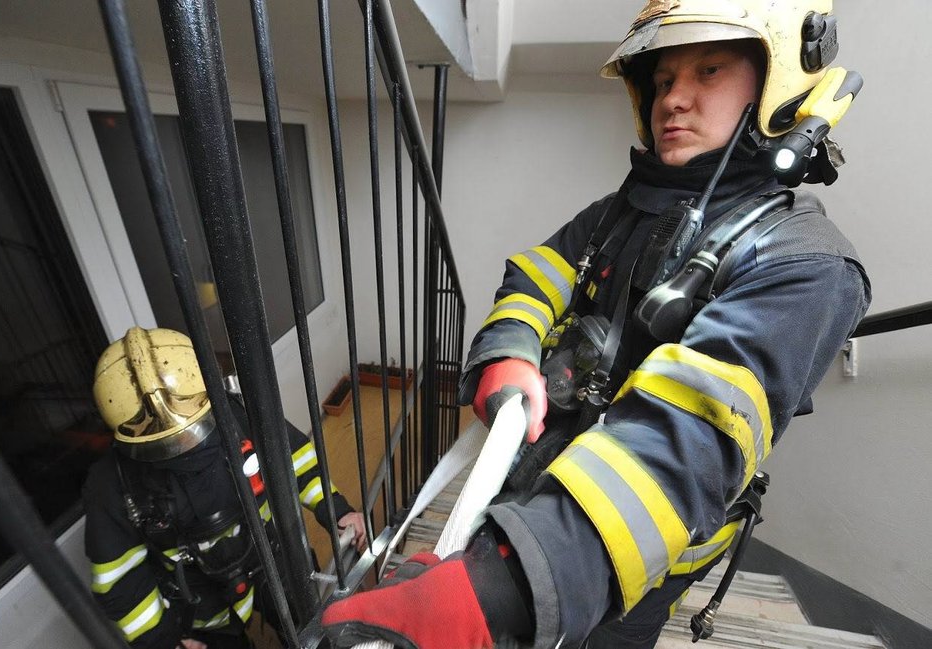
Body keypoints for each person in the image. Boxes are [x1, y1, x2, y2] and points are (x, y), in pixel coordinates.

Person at [321, 1, 870, 648]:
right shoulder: (620, 209)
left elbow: (694, 431)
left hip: (631, 554)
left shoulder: (807, 262)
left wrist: (506, 587)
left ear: (780, 79)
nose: (674, 99)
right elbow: (535, 277)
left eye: (710, 69)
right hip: (536, 479)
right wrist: (510, 348)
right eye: (663, 81)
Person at [83, 326, 367, 648]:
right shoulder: (112, 484)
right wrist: (164, 642)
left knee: (312, 630)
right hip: (201, 611)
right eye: (164, 446)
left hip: (273, 561)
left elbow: (297, 465)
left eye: (191, 432)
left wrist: (336, 510)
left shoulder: (239, 417)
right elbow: (119, 581)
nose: (183, 448)